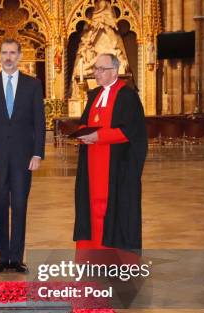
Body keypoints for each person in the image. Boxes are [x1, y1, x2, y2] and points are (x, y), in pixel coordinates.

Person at [0, 38, 46, 273]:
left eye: (12, 53)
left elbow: (39, 121)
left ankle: (16, 257)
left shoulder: (33, 85)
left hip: (23, 157)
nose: (8, 57)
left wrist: (37, 153)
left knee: (19, 204)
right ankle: (2, 256)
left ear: (19, 55)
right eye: (4, 52)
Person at [73, 53, 147, 252]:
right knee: (91, 205)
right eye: (95, 69)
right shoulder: (94, 95)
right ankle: (92, 249)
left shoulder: (127, 96)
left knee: (113, 207)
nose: (96, 73)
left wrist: (99, 137)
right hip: (92, 163)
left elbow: (131, 131)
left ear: (114, 71)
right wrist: (82, 133)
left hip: (116, 165)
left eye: (101, 69)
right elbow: (85, 121)